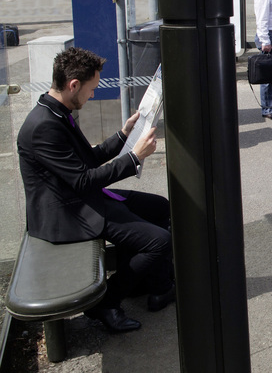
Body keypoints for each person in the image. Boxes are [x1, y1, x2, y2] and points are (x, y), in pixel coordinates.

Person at [17, 47, 172, 334]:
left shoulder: (56, 111)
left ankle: (148, 283)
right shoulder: (44, 127)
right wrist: (134, 157)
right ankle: (106, 302)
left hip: (78, 199)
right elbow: (84, 180)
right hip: (67, 213)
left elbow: (86, 160)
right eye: (91, 89)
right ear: (73, 85)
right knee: (159, 241)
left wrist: (124, 135)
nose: (92, 95)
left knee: (159, 207)